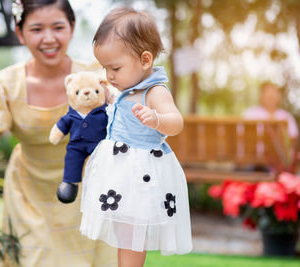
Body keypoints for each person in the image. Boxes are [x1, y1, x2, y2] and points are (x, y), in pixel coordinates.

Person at [0, 0, 117, 266]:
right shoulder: (3, 84)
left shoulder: (96, 79)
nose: (49, 38)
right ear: (20, 32)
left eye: (58, 27)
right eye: (36, 29)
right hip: (28, 194)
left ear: (72, 28)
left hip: (87, 190)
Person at [79, 7, 192, 267]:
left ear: (144, 60)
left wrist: (158, 119)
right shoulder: (127, 89)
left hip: (140, 176)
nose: (109, 75)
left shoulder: (154, 92)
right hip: (120, 175)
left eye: (115, 67)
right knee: (125, 233)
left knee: (132, 233)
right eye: (105, 68)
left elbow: (177, 122)